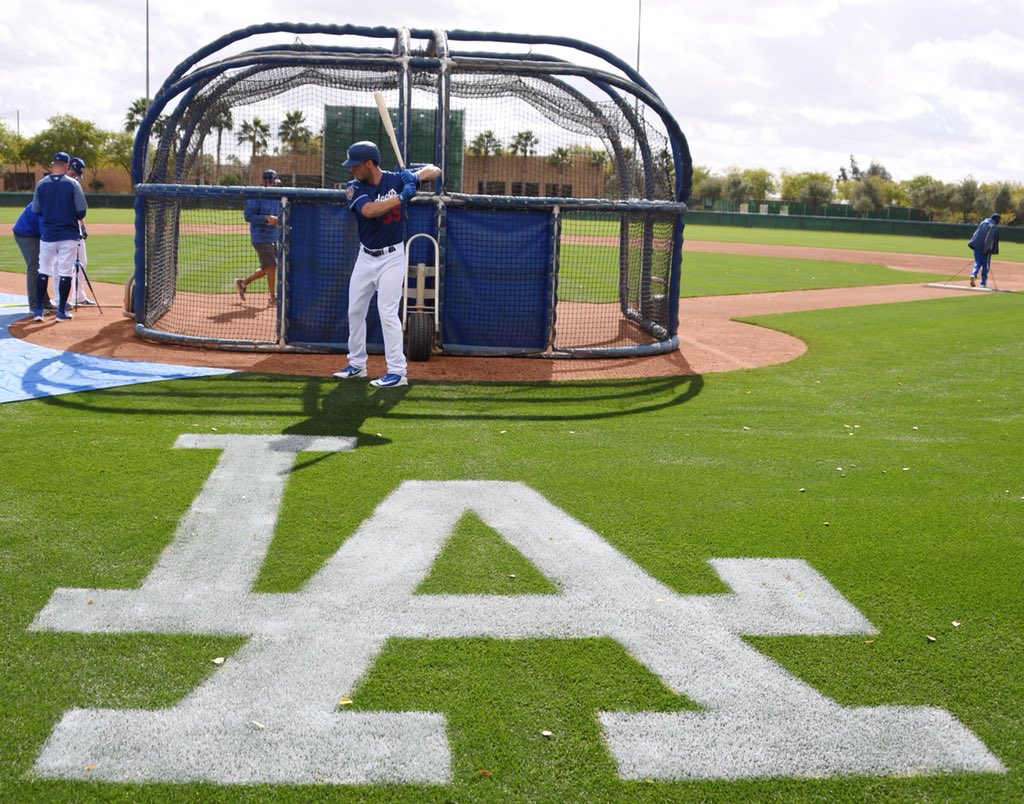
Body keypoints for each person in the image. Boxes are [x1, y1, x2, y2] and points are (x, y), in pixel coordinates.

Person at [332, 141, 441, 388]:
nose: (351, 170)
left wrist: (413, 176)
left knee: (387, 312)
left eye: (355, 165)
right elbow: (370, 210)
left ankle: (397, 372)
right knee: (355, 311)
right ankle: (357, 365)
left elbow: (435, 170)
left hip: (392, 257)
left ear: (369, 163)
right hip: (365, 256)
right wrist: (402, 196)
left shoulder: (395, 180)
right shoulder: (353, 187)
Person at [31, 151, 88, 322]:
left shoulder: (41, 184)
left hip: (48, 235)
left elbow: (36, 210)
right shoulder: (73, 184)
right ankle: (61, 311)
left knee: (43, 271)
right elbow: (81, 211)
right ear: (67, 165)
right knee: (65, 273)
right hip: (68, 234)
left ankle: (38, 311)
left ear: (53, 164)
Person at [236, 169, 281, 304]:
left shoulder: (277, 195)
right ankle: (272, 298)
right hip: (260, 237)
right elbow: (248, 216)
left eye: (272, 182)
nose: (270, 184)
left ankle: (243, 282)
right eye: (268, 181)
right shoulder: (256, 195)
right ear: (264, 181)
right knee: (271, 266)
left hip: (273, 236)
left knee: (267, 267)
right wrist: (266, 218)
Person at [12, 202, 54, 313]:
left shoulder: (54, 202)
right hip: (25, 233)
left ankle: (44, 302)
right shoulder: (44, 204)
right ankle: (34, 305)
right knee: (34, 267)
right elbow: (43, 229)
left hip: (35, 233)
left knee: (42, 267)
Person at [64, 156, 95, 306]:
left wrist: (82, 226)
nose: (75, 176)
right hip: (63, 229)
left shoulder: (75, 184)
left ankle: (79, 295)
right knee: (63, 265)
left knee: (82, 261)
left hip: (75, 227)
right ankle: (61, 299)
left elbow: (79, 209)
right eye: (73, 173)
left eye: (76, 174)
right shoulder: (60, 184)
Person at [968, 212, 1000, 288]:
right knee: (985, 265)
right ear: (996, 220)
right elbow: (989, 239)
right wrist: (985, 249)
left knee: (977, 262)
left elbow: (976, 233)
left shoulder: (983, 222)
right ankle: (983, 283)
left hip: (976, 245)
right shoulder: (993, 226)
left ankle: (973, 274)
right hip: (984, 248)